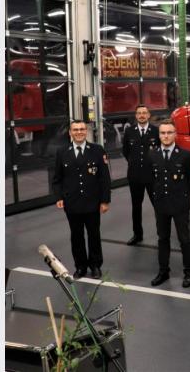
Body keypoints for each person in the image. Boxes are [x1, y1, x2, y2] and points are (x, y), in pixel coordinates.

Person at [53, 120, 111, 280]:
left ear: (86, 132)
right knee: (76, 236)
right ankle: (80, 266)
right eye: (75, 130)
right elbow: (57, 178)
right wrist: (58, 197)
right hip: (72, 203)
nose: (79, 132)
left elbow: (104, 178)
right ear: (70, 133)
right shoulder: (62, 152)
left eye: (82, 129)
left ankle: (95, 266)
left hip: (93, 202)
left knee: (94, 235)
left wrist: (105, 201)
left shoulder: (98, 150)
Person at [149, 120, 190, 288]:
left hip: (180, 205)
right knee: (162, 238)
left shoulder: (185, 155)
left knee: (184, 239)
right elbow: (151, 180)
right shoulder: (153, 154)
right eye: (163, 133)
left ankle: (189, 272)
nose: (166, 136)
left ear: (175, 134)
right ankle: (163, 271)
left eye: (169, 132)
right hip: (161, 205)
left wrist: (182, 194)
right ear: (159, 135)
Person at [122, 104, 159, 246]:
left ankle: (162, 233)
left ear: (149, 115)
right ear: (136, 116)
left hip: (152, 176)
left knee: (158, 206)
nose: (142, 115)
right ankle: (137, 234)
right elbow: (126, 151)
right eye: (139, 113)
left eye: (144, 113)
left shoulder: (156, 131)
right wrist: (134, 162)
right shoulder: (129, 131)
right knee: (136, 207)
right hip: (135, 176)